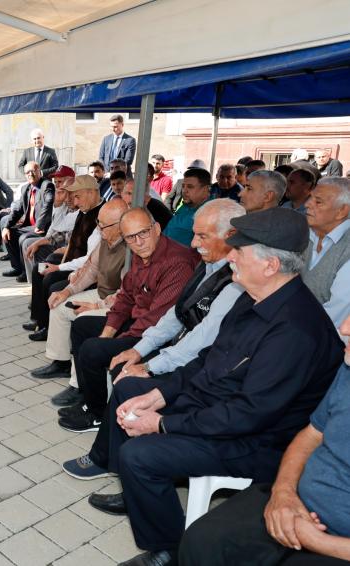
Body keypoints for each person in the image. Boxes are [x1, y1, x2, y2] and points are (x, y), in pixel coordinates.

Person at [64, 207, 344, 566]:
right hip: (222, 406)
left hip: (258, 441)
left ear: (271, 265)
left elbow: (247, 415)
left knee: (140, 455)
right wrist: (160, 394)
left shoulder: (296, 331)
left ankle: (168, 549)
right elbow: (209, 358)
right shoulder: (253, 298)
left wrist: (163, 423)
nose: (231, 258)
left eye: (239, 251)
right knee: (132, 391)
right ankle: (139, 492)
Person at [179, 315, 350, 566]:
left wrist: (314, 539)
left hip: (336, 543)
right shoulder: (347, 370)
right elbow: (311, 434)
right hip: (295, 503)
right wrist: (283, 493)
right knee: (202, 541)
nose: (344, 328)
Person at [55, 208, 199, 428]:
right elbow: (125, 297)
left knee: (93, 350)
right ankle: (89, 398)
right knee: (82, 326)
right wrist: (108, 333)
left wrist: (115, 340)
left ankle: (97, 415)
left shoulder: (177, 262)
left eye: (143, 233)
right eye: (131, 237)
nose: (138, 242)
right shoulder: (142, 255)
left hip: (156, 334)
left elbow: (156, 320)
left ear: (156, 228)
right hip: (138, 322)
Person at [108, 199, 246, 381]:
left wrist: (150, 366)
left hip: (206, 366)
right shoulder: (207, 265)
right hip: (179, 347)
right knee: (121, 367)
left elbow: (204, 337)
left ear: (231, 235)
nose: (193, 243)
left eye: (202, 236)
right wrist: (138, 350)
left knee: (126, 379)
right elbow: (177, 311)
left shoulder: (238, 279)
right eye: (194, 234)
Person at [30, 199, 128, 382]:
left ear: (121, 225)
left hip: (118, 304)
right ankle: (61, 363)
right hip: (102, 293)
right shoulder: (106, 239)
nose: (98, 229)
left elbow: (126, 294)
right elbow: (90, 270)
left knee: (82, 321)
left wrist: (96, 306)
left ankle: (78, 385)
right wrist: (67, 291)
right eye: (98, 223)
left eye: (103, 225)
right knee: (59, 305)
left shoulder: (131, 249)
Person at [26, 174, 102, 335]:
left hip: (84, 269)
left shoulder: (103, 215)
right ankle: (38, 320)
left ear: (91, 192)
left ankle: (48, 328)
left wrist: (59, 267)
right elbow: (61, 228)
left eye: (77, 196)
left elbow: (91, 260)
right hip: (71, 261)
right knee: (39, 269)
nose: (75, 202)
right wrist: (58, 203)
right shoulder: (84, 210)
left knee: (51, 281)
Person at [302, 177, 350, 329]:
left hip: (320, 334)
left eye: (318, 202)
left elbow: (334, 316)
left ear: (341, 211)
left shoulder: (347, 249)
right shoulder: (307, 234)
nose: (307, 204)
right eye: (310, 198)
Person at [21, 166, 76, 281]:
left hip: (69, 247)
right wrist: (58, 204)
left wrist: (58, 203)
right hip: (59, 240)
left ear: (71, 182)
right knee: (29, 244)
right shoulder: (62, 198)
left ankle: (40, 280)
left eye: (60, 182)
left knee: (39, 249)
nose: (57, 185)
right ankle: (34, 281)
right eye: (55, 182)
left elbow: (60, 228)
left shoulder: (75, 201)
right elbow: (55, 229)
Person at [2, 162, 55, 279]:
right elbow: (18, 210)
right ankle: (17, 268)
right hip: (30, 226)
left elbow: (48, 204)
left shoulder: (47, 185)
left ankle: (26, 272)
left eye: (33, 171)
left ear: (39, 171)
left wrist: (40, 225)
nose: (30, 174)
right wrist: (6, 227)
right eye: (27, 172)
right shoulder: (26, 188)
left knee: (23, 238)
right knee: (9, 234)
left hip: (43, 227)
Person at [163, 167, 212, 246]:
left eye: (190, 187)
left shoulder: (211, 213)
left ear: (206, 189)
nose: (184, 191)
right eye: (183, 186)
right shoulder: (188, 205)